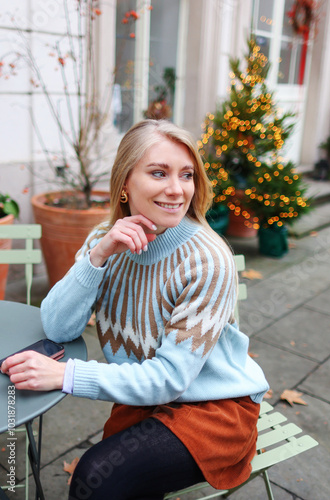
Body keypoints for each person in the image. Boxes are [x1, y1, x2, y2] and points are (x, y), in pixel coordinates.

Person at [2, 119, 269, 500]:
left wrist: (64, 374)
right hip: (145, 399)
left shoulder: (207, 260)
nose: (177, 190)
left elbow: (171, 377)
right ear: (125, 182)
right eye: (159, 173)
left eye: (187, 174)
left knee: (97, 478)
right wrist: (96, 257)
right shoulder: (105, 239)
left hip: (214, 407)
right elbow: (58, 326)